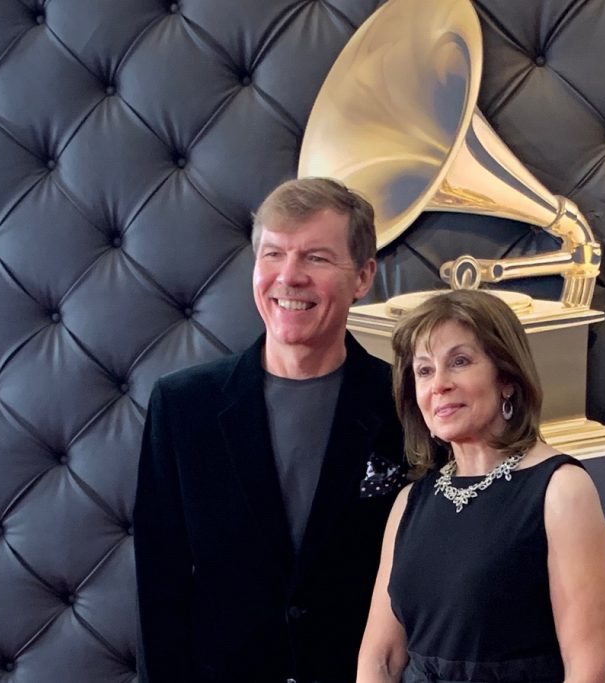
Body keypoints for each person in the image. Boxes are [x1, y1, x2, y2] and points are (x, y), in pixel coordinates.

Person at [134, 177, 406, 682]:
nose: (290, 276)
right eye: (274, 254)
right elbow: (159, 590)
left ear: (364, 276)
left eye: (317, 258)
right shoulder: (181, 407)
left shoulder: (407, 407)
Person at [358, 289, 605, 683]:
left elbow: (589, 671)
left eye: (459, 362)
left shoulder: (561, 490)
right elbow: (381, 659)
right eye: (424, 370)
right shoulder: (409, 502)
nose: (438, 384)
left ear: (507, 379)